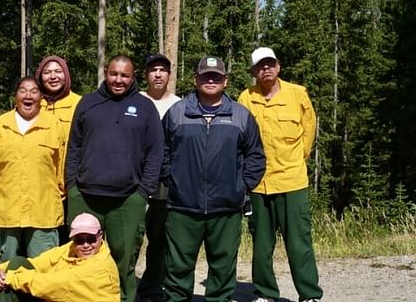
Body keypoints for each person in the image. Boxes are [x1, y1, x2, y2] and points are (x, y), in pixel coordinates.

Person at [162, 56, 266, 302]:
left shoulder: (241, 116)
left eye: (216, 76)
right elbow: (160, 151)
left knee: (222, 266)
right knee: (178, 267)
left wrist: (241, 187)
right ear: (195, 79)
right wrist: (172, 180)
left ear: (225, 81)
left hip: (226, 207)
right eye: (205, 76)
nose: (211, 80)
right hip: (182, 206)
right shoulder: (177, 113)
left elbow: (256, 156)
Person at [65, 54, 164, 302]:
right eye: (114, 74)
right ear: (106, 73)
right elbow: (74, 147)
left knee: (124, 261)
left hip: (127, 199)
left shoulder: (145, 107)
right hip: (85, 197)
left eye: (124, 75)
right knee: (80, 260)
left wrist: (143, 192)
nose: (118, 80)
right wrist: (72, 186)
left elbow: (155, 152)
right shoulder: (88, 103)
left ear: (133, 77)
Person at [237, 47, 323, 302]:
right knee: (262, 246)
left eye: (270, 63)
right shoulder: (245, 98)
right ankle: (265, 293)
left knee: (299, 243)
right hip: (258, 184)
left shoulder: (298, 95)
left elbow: (308, 133)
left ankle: (309, 294)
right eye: (260, 65)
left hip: (292, 182)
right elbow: (240, 139)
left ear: (278, 66)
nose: (266, 69)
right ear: (253, 71)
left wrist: (296, 160)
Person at [0, 77, 67, 262]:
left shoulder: (54, 126)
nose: (28, 95)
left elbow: (62, 167)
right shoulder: (0, 125)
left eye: (33, 91)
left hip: (43, 212)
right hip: (8, 212)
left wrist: (57, 196)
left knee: (42, 269)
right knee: (8, 269)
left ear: (41, 97)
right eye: (23, 90)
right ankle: (7, 293)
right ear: (15, 96)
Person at [0, 213, 120, 302]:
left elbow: (51, 283)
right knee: (18, 263)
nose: (86, 245)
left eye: (91, 239)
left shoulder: (99, 267)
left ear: (100, 236)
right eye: (80, 240)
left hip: (59, 290)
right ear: (73, 240)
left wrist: (9, 278)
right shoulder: (71, 248)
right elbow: (39, 262)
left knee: (11, 282)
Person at [136, 53, 180, 302]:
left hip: (165, 186)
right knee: (132, 239)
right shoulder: (136, 101)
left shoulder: (179, 105)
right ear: (146, 75)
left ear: (169, 75)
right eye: (153, 70)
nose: (158, 74)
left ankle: (153, 285)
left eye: (163, 70)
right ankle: (125, 284)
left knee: (160, 239)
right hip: (136, 183)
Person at [34, 55, 82, 244]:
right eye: (47, 72)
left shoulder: (80, 104)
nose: (53, 76)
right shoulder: (33, 105)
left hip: (71, 185)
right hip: (39, 185)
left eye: (58, 71)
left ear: (66, 75)